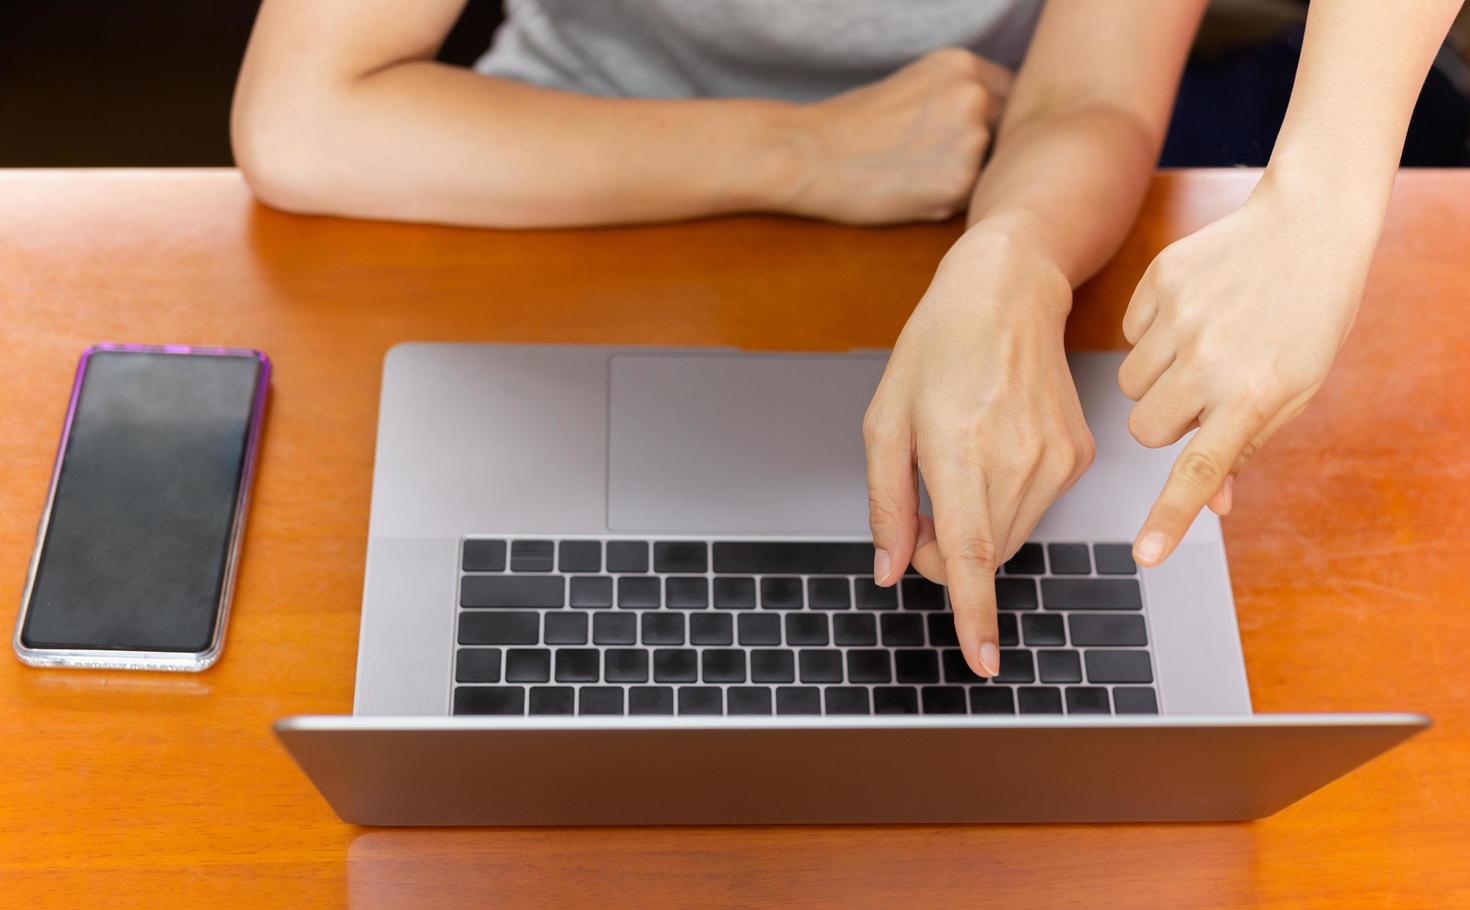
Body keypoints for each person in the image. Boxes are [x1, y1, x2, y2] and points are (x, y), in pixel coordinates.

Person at [233, 0, 1460, 677]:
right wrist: (797, 151)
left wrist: (1013, 253)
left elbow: (1090, 91)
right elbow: (302, 116)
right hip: (547, 177)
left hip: (962, 200)